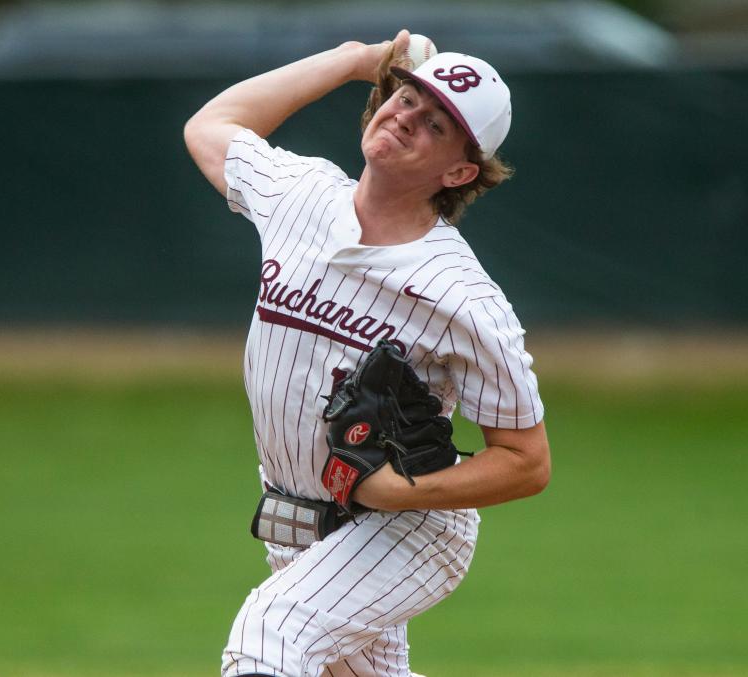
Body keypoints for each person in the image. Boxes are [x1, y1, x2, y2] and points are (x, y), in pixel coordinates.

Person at [184, 29, 551, 677]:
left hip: (410, 530)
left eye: (435, 124)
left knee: (271, 633)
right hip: (295, 522)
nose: (406, 117)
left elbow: (526, 462)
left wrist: (398, 489)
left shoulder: (461, 298)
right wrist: (353, 60)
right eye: (406, 98)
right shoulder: (298, 194)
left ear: (460, 171)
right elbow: (215, 124)